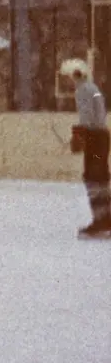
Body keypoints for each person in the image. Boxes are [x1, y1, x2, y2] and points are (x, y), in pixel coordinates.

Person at [62, 59, 111, 239]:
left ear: (75, 74)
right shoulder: (93, 88)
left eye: (67, 77)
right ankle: (107, 219)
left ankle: (101, 221)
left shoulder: (82, 90)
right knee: (102, 178)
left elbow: (87, 117)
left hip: (94, 136)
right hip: (103, 135)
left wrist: (80, 133)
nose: (67, 81)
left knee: (93, 178)